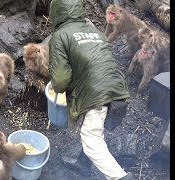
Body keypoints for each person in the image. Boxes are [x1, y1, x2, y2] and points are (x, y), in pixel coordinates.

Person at [48, 0, 135, 179]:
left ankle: (121, 177)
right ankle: (83, 163)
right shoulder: (92, 29)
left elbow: (60, 80)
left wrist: (61, 88)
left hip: (97, 93)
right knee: (94, 125)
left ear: (56, 12)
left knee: (92, 140)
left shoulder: (61, 35)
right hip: (118, 88)